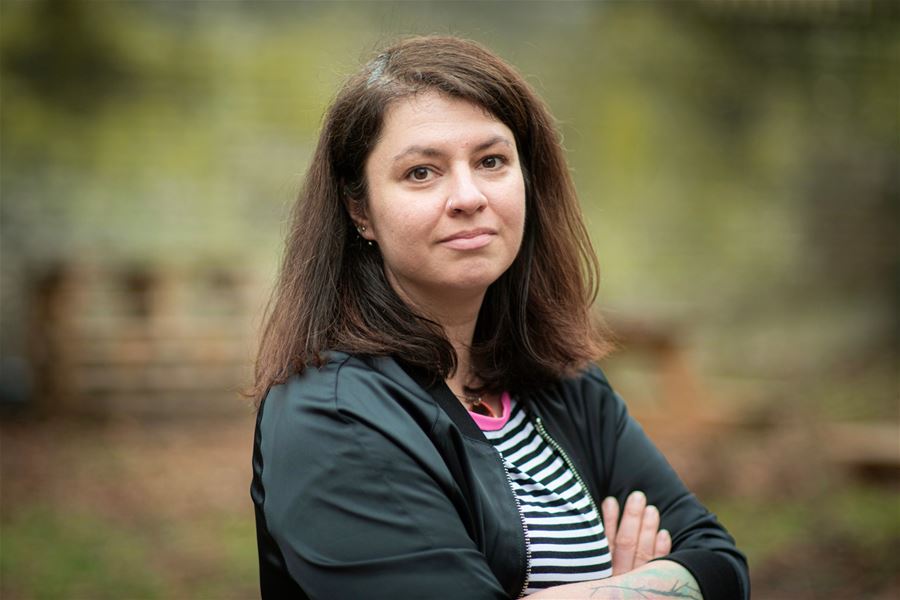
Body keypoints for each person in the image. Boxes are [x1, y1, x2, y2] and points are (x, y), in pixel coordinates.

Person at [250, 36, 749, 600]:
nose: (468, 197)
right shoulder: (336, 416)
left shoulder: (565, 384)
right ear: (359, 209)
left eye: (491, 162)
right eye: (421, 172)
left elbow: (720, 563)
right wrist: (633, 587)